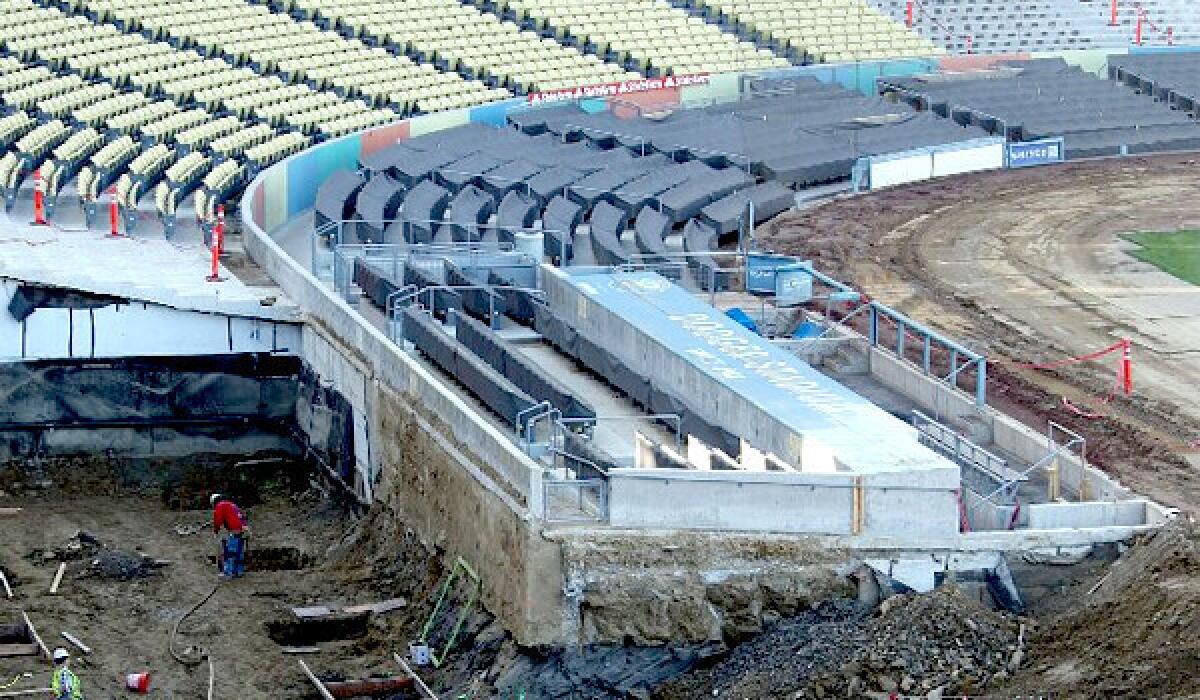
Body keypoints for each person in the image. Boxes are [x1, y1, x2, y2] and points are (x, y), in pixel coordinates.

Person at [210, 493, 248, 579]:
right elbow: (241, 516)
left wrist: (216, 530)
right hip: (243, 529)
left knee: (230, 552)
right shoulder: (232, 504)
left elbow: (218, 520)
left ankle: (228, 573)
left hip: (234, 530)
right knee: (239, 551)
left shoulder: (220, 505)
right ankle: (239, 571)